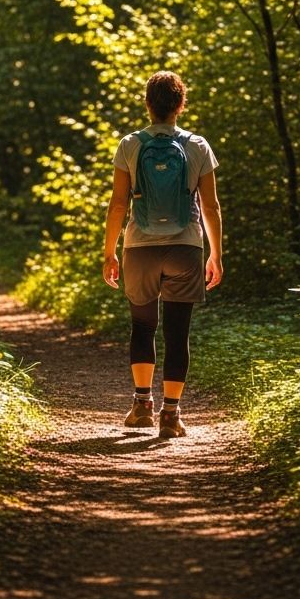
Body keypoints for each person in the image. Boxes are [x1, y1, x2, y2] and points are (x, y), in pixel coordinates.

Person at [102, 71, 223, 439]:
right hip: (186, 245)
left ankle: (141, 407)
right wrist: (215, 254)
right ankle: (171, 415)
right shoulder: (198, 146)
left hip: (139, 246)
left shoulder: (129, 145)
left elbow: (118, 203)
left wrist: (110, 252)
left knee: (142, 326)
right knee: (177, 332)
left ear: (148, 104)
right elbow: (212, 206)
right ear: (180, 105)